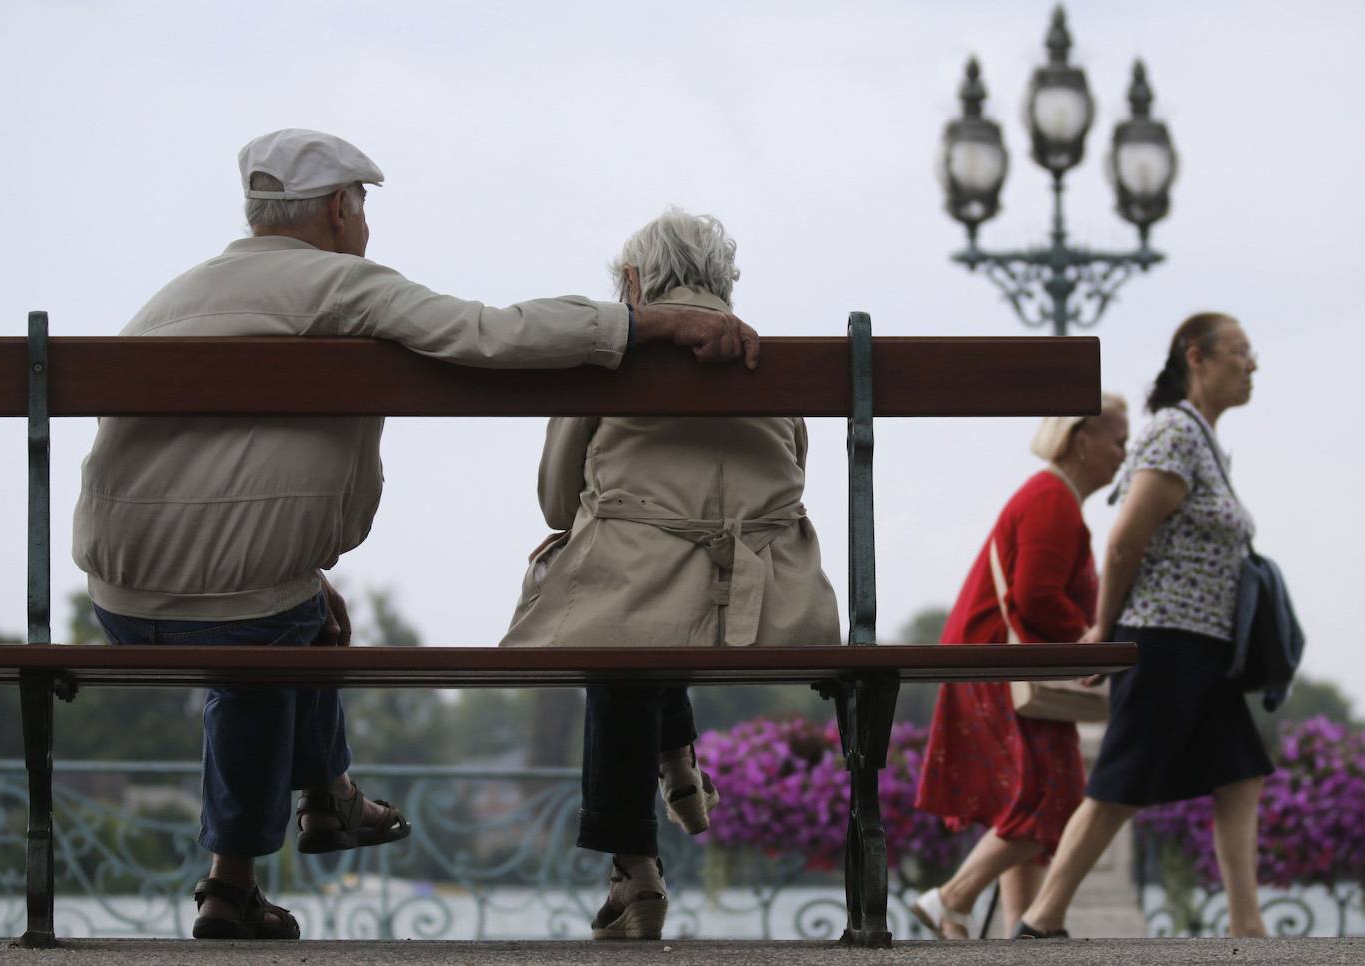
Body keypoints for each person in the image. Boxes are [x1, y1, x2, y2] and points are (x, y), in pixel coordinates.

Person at [73, 130, 760, 942]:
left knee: (291, 624)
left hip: (115, 598)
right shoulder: (343, 285)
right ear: (339, 209)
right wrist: (646, 326)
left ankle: (266, 857)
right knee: (266, 638)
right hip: (241, 607)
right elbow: (490, 334)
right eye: (361, 208)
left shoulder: (175, 297)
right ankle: (304, 817)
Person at [500, 208, 839, 941]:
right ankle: (678, 757)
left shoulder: (605, 360)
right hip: (768, 610)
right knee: (655, 598)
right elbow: (789, 489)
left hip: (634, 606)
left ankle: (636, 870)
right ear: (723, 282)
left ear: (631, 283)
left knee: (623, 614)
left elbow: (558, 501)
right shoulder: (778, 365)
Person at [1015, 312, 1272, 939]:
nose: (1253, 364)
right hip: (1167, 640)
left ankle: (1246, 923)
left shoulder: (1200, 438)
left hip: (1202, 643)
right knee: (1119, 786)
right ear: (1198, 358)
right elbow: (1126, 540)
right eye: (1239, 351)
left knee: (1241, 773)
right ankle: (1041, 918)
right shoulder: (1174, 435)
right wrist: (1104, 631)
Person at [910, 394, 1129, 939]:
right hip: (1002, 665)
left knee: (1027, 793)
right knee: (1055, 798)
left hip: (991, 661)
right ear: (1082, 440)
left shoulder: (1051, 496)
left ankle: (1017, 935)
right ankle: (951, 899)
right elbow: (1035, 596)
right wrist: (1087, 637)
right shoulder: (1052, 499)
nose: (1125, 454)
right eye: (1119, 440)